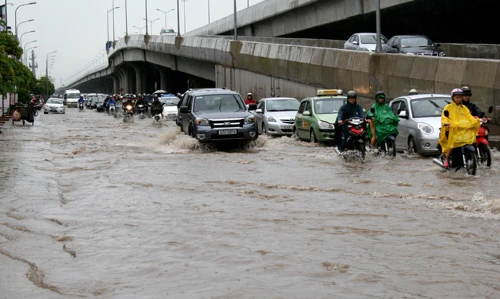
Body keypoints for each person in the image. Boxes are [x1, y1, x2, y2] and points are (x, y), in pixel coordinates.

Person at [438, 88, 480, 168]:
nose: (458, 99)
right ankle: (446, 159)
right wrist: (446, 123)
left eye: (460, 97)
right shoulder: (448, 107)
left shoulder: (464, 108)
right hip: (451, 130)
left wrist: (475, 121)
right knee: (452, 145)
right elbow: (444, 117)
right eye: (457, 97)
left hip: (462, 131)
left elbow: (469, 117)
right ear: (453, 98)